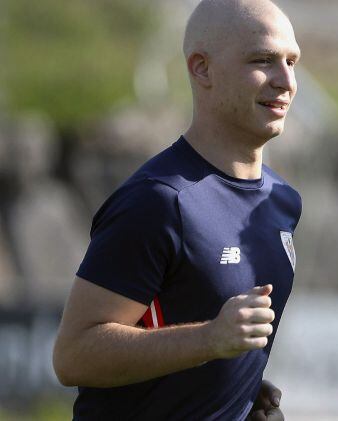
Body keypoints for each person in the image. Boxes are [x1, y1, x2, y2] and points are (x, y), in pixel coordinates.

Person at [52, 0, 300, 419]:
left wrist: (236, 390)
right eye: (263, 60)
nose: (286, 81)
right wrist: (209, 341)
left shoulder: (282, 199)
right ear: (202, 68)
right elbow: (74, 355)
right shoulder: (160, 200)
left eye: (292, 61)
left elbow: (209, 335)